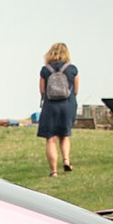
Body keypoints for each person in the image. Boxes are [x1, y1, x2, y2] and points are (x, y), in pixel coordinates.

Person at [37, 43, 79, 177]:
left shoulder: (45, 70)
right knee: (65, 136)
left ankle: (54, 171)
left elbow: (42, 91)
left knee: (50, 139)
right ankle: (66, 160)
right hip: (68, 105)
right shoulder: (72, 69)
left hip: (50, 106)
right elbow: (76, 90)